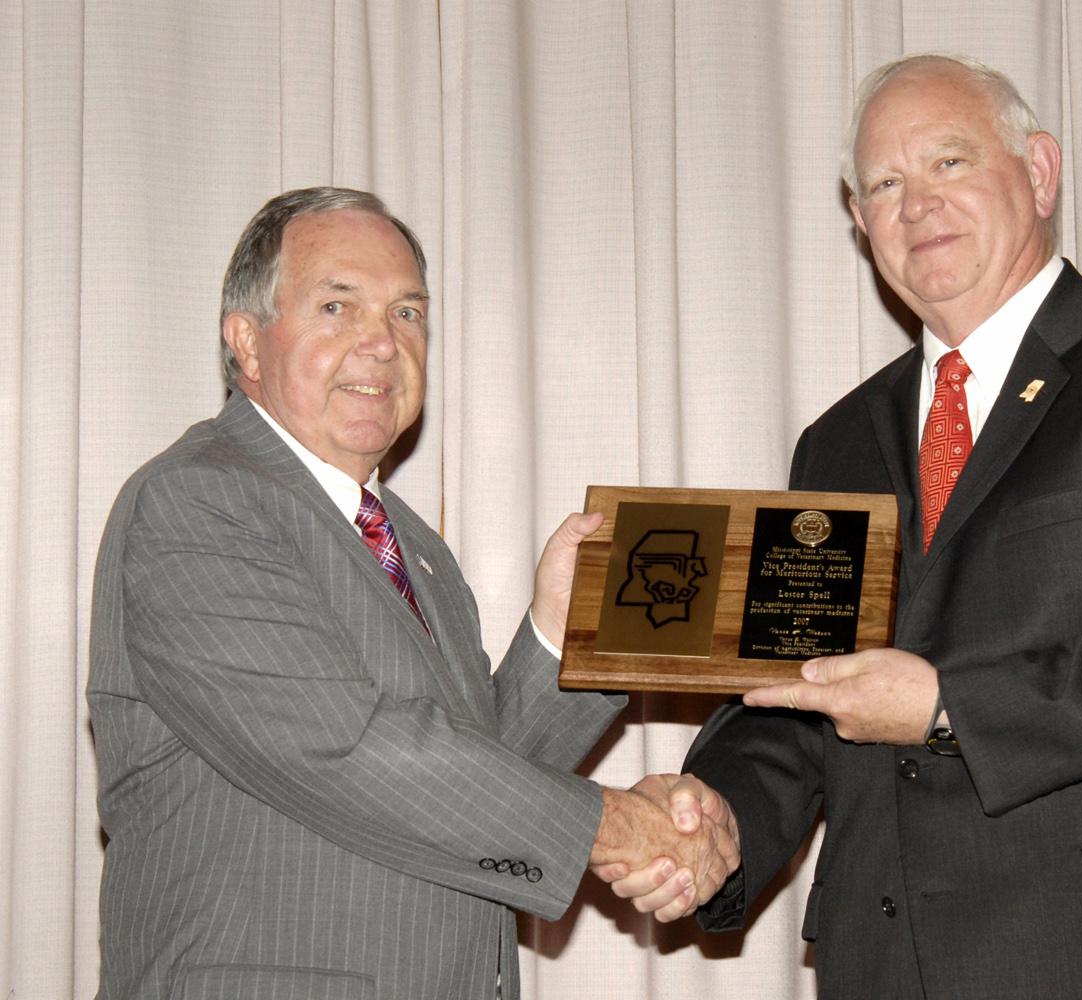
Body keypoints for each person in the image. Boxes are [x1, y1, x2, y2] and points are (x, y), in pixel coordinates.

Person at [608, 53, 1082, 998]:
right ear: (860, 223)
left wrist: (948, 709)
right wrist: (722, 816)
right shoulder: (837, 441)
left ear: (1041, 172)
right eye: (885, 184)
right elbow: (803, 682)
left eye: (949, 163)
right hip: (891, 965)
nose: (916, 205)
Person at [87, 187, 737, 1000]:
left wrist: (560, 638)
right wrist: (613, 824)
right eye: (336, 306)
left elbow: (466, 782)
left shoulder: (411, 544)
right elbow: (344, 749)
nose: (382, 343)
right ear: (247, 342)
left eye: (407, 313)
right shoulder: (196, 502)